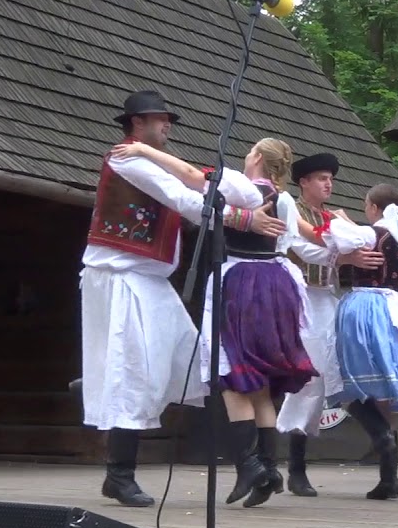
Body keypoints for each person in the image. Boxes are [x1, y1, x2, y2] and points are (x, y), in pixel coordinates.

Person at [81, 90, 285, 507]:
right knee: (129, 372)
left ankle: (249, 464)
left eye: (167, 119)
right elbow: (187, 202)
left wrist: (239, 203)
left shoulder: (158, 162)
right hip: (119, 278)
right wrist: (245, 218)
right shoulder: (125, 158)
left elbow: (222, 189)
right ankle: (119, 474)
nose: (167, 125)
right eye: (160, 119)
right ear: (136, 124)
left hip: (150, 282)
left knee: (196, 361)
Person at [109, 137, 320, 507]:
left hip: (241, 281)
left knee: (230, 373)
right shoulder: (284, 200)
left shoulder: (241, 184)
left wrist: (143, 151)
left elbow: (190, 175)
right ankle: (268, 467)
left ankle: (250, 465)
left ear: (256, 157)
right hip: (274, 281)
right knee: (258, 383)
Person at [304, 184, 398, 499]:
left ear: (373, 207)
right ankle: (388, 476)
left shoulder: (368, 234)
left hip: (364, 306)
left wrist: (339, 222)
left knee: (346, 381)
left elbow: (332, 240)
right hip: (395, 307)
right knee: (381, 390)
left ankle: (382, 439)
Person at [275, 154, 383, 497]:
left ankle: (383, 445)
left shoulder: (333, 217)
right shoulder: (289, 208)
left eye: (330, 179)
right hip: (298, 297)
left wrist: (350, 235)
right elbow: (302, 248)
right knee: (308, 377)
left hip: (327, 298)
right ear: (303, 182)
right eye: (321, 178)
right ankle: (294, 467)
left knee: (338, 370)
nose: (328, 184)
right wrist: (346, 254)